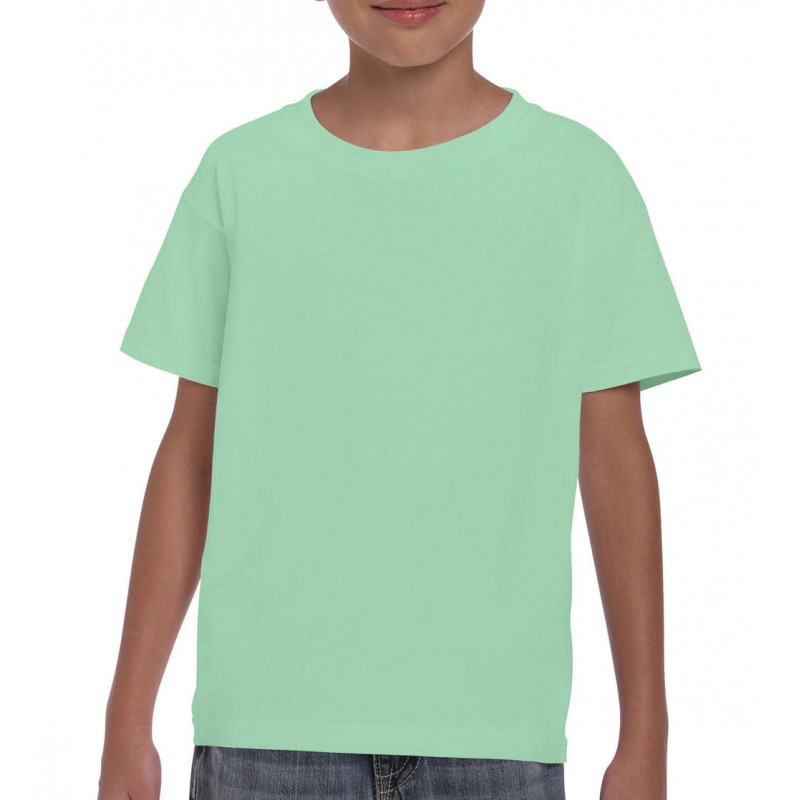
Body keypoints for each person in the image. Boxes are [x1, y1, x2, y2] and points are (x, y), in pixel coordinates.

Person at [98, 1, 702, 798]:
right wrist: (125, 720)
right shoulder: (241, 175)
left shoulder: (579, 181)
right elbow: (190, 457)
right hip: (268, 739)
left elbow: (615, 463)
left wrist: (647, 734)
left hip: (495, 740)